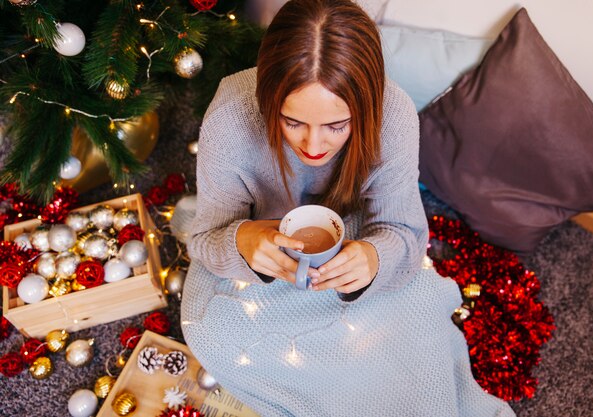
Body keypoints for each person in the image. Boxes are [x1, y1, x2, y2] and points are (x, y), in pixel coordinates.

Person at [182, 1, 515, 416]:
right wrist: (244, 241)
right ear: (267, 96)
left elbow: (406, 233)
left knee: (411, 321)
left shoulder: (393, 114)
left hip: (355, 236)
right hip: (262, 259)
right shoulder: (231, 117)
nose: (314, 146)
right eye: (292, 122)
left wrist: (375, 257)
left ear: (366, 104)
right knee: (212, 330)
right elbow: (204, 240)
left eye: (337, 126)